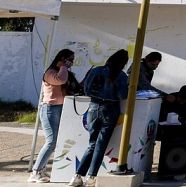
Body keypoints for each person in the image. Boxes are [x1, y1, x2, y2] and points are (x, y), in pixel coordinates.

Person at [68, 49, 129, 187]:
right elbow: (123, 95)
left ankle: (77, 176)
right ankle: (92, 177)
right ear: (123, 63)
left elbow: (86, 89)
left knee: (92, 143)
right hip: (110, 109)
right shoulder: (121, 75)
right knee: (100, 145)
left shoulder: (96, 70)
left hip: (93, 107)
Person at [30, 49, 75, 183]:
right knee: (51, 141)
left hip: (60, 108)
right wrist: (63, 67)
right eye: (70, 59)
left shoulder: (63, 72)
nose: (71, 63)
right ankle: (36, 172)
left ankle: (41, 169)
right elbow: (60, 80)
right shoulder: (50, 73)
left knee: (54, 142)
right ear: (62, 58)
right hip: (49, 109)